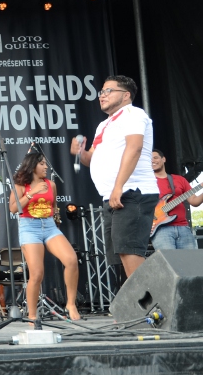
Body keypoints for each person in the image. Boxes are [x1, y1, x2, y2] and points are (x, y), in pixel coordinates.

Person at [70, 75, 159, 277]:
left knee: (130, 253)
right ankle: (137, 306)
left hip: (132, 192)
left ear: (126, 95)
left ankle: (152, 306)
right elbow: (90, 158)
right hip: (114, 195)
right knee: (119, 258)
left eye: (108, 91)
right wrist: (81, 152)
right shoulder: (104, 125)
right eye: (101, 92)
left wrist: (119, 186)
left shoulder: (133, 114)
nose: (102, 95)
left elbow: (134, 148)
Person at [10, 153, 81, 322]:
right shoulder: (21, 185)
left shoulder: (51, 184)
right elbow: (13, 209)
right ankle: (32, 315)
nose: (46, 167)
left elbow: (54, 205)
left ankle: (71, 304)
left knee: (71, 260)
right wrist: (32, 193)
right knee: (37, 273)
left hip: (49, 226)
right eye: (42, 164)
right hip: (29, 227)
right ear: (33, 166)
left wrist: (56, 220)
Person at [150, 149, 203, 250]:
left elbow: (194, 201)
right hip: (160, 229)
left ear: (163, 159)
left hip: (183, 228)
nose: (152, 161)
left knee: (189, 262)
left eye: (155, 157)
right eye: (149, 159)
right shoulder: (147, 182)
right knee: (169, 263)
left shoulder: (179, 180)